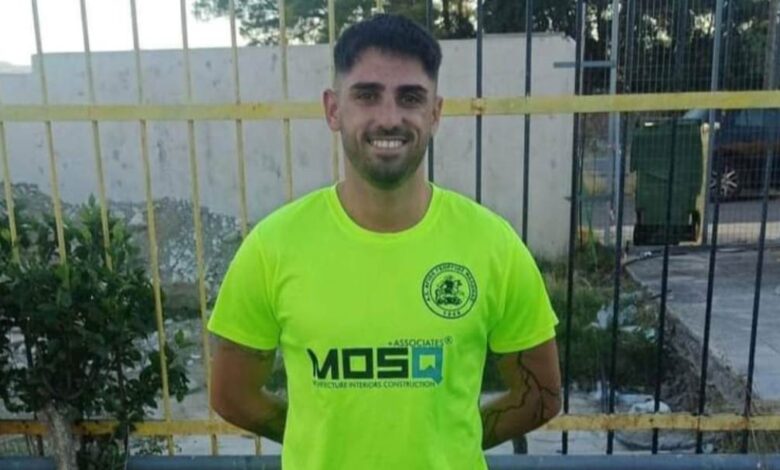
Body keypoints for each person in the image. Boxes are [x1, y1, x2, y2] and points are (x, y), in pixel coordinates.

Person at [208, 13, 561, 470]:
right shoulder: (272, 247)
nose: (389, 118)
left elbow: (541, 395)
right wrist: (317, 435)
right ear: (333, 109)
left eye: (410, 97)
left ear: (435, 113)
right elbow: (231, 395)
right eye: (367, 95)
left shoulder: (495, 246)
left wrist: (450, 439)